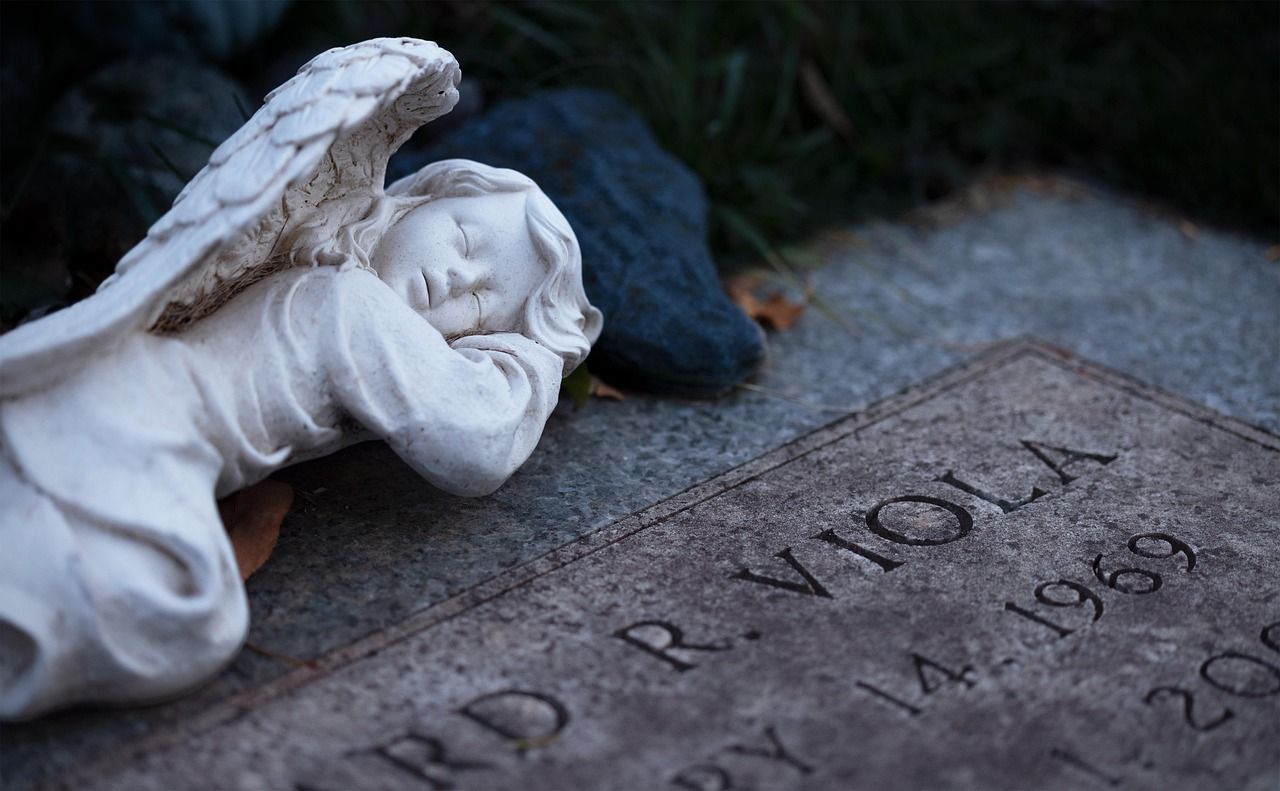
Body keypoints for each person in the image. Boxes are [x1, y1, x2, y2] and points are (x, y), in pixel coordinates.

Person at [0, 159, 602, 719]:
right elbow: (475, 445)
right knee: (182, 619)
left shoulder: (353, 305)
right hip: (144, 422)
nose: (455, 280)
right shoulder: (352, 303)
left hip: (153, 422)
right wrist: (535, 358)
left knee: (160, 612)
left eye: (480, 305)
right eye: (465, 241)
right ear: (418, 200)